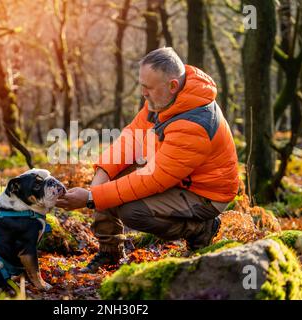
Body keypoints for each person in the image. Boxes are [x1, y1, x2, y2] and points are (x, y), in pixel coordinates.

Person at [56, 47, 239, 273]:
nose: (143, 93)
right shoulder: (163, 98)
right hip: (174, 176)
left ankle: (201, 229)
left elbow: (153, 179)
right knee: (109, 181)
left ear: (172, 85)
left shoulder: (195, 124)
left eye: (148, 87)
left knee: (132, 210)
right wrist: (102, 174)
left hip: (205, 194)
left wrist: (92, 198)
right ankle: (109, 253)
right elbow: (133, 136)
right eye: (142, 85)